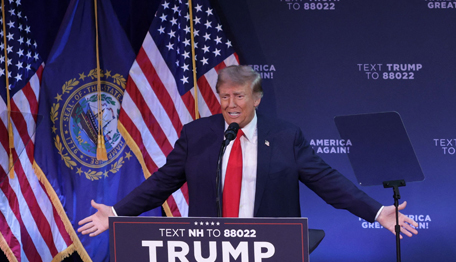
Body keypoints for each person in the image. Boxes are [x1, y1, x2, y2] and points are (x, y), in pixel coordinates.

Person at [78, 65, 418, 239]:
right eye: (225, 96)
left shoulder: (285, 137)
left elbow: (327, 182)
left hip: (269, 246)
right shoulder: (198, 134)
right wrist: (118, 212)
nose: (231, 104)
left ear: (256, 99)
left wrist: (376, 212)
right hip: (209, 248)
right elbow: (162, 182)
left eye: (239, 96)